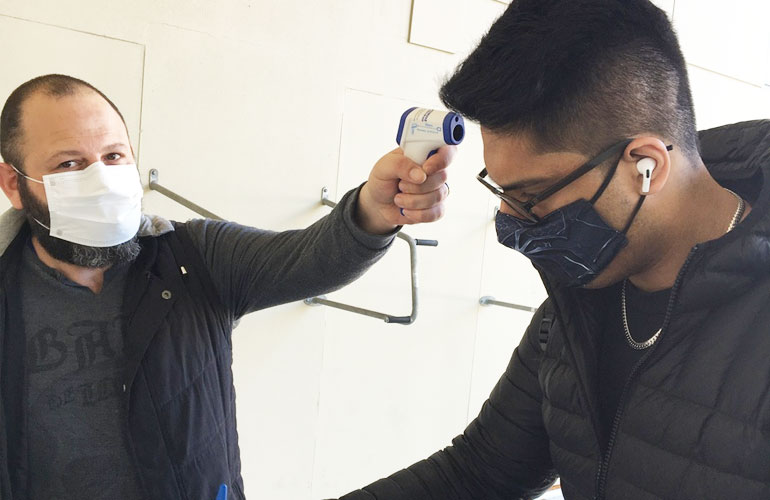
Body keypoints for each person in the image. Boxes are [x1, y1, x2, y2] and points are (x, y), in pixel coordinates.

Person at [335, 1, 770, 499]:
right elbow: (478, 474)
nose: (510, 222)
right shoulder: (578, 301)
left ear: (644, 166)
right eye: (502, 194)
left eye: (530, 197)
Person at [0, 74, 453, 499]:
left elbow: (311, 259)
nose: (100, 178)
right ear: (14, 184)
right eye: (70, 163)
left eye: (114, 156)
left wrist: (374, 208)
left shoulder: (192, 257)